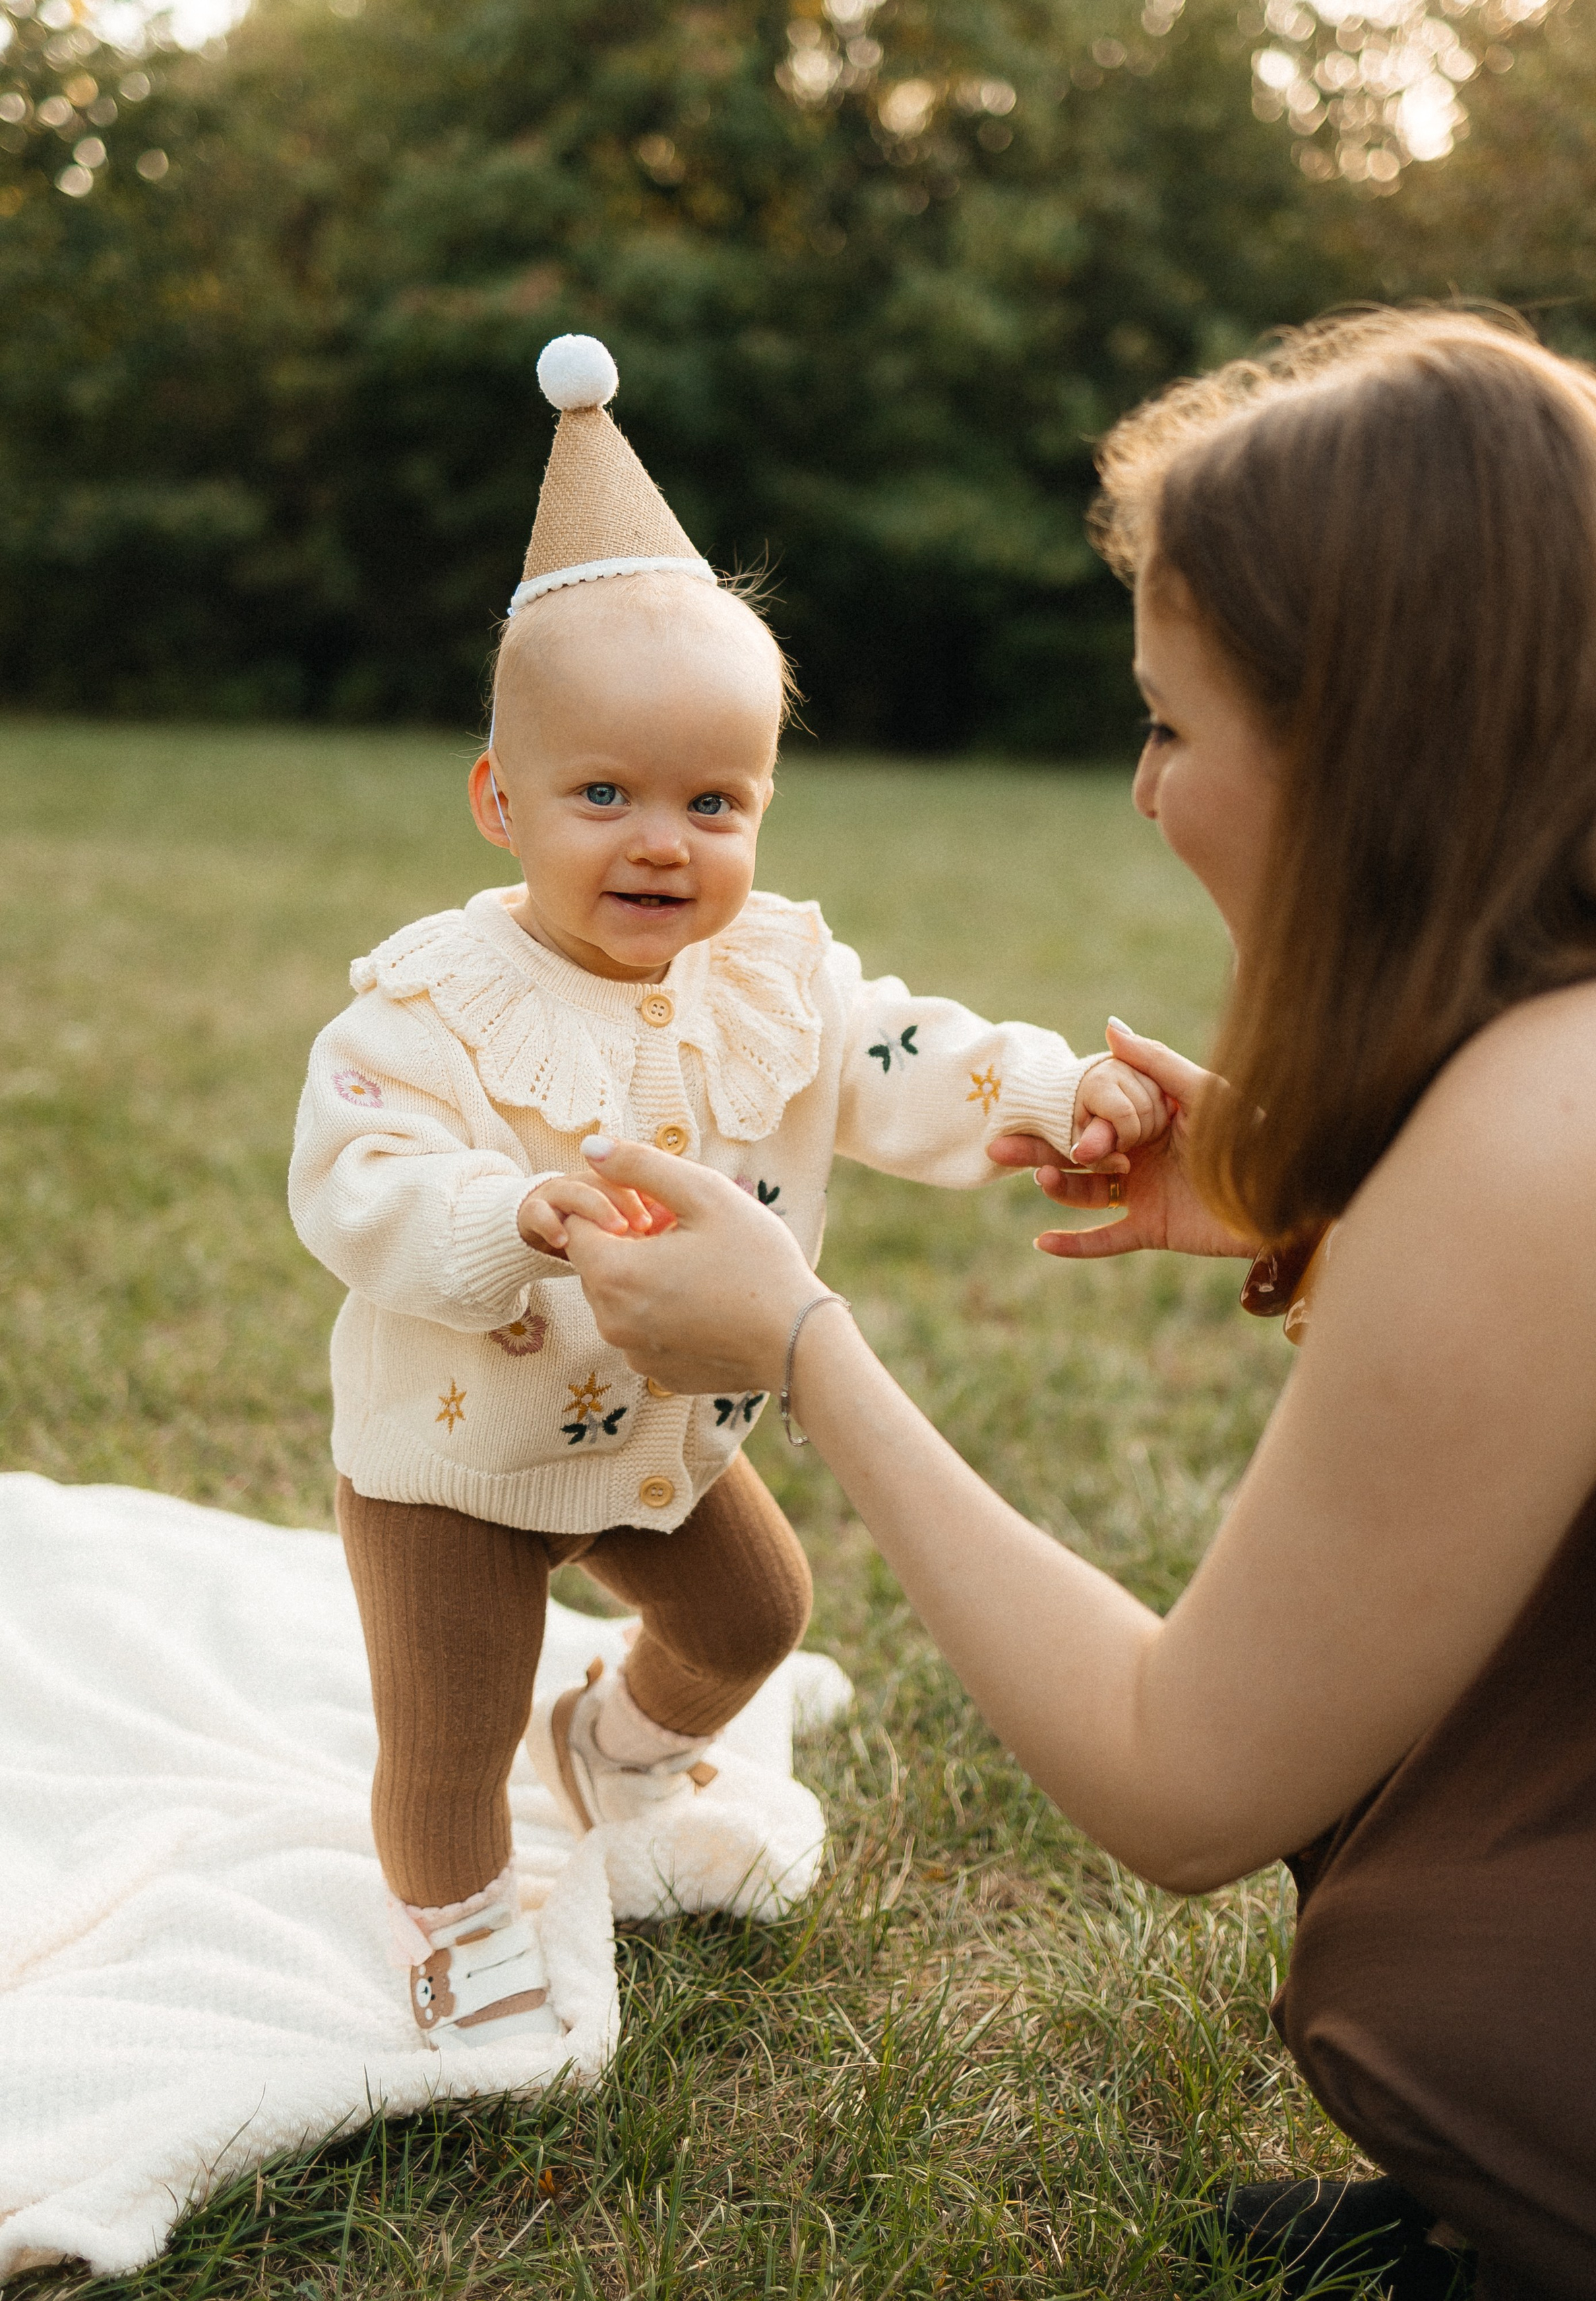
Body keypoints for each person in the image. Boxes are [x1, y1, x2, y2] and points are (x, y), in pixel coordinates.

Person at [547, 311, 1596, 2298]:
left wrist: (801, 1344)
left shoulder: (1566, 1121)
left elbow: (1184, 1778)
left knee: (1440, 1978)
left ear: (1365, 751)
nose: (1143, 788)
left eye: (1173, 723)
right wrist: (1311, 1188)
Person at [286, 333, 1166, 2052]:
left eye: (713, 800)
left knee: (756, 1612)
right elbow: (356, 1180)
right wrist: (506, 1218)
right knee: (448, 1724)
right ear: (500, 802)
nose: (660, 843)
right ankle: (456, 1919)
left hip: (667, 1431)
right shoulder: (426, 1007)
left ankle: (612, 1756)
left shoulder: (772, 973)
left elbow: (902, 1053)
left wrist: (1056, 1090)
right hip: (461, 1442)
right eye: (600, 795)